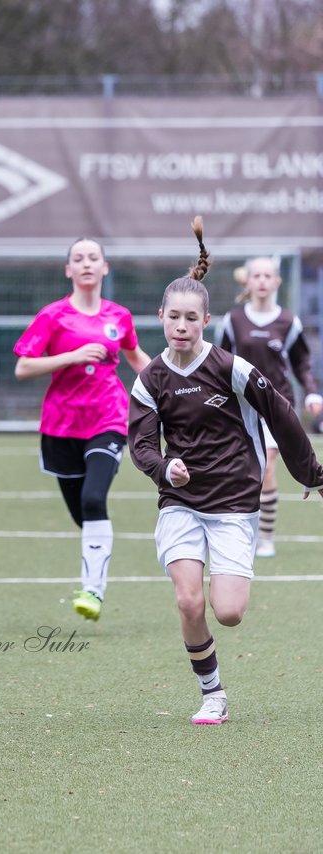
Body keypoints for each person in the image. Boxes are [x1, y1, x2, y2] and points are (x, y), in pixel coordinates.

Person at [128, 217, 323, 726]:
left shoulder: (231, 368)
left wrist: (312, 473)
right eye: (174, 317)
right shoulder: (150, 380)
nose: (182, 326)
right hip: (181, 504)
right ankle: (212, 693)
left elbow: (281, 411)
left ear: (206, 319)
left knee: (229, 611)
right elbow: (141, 444)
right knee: (189, 600)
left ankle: (217, 662)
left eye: (192, 318)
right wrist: (164, 468)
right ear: (161, 317)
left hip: (236, 502)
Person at [14, 239, 151, 622]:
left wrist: (173, 383)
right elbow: (24, 367)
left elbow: (136, 356)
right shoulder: (53, 316)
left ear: (105, 268)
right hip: (60, 425)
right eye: (79, 259)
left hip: (108, 418)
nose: (86, 264)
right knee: (84, 516)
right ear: (68, 270)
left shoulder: (119, 316)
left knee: (93, 500)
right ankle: (96, 559)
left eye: (93, 258)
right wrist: (72, 356)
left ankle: (93, 590)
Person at [216, 256, 323, 557]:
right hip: (240, 405)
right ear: (247, 282)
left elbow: (301, 362)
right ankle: (243, 530)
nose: (262, 281)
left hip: (276, 406)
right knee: (240, 469)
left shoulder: (288, 321)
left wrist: (312, 393)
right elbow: (218, 363)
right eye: (257, 276)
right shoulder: (233, 321)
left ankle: (265, 537)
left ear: (276, 282)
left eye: (268, 276)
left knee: (268, 465)